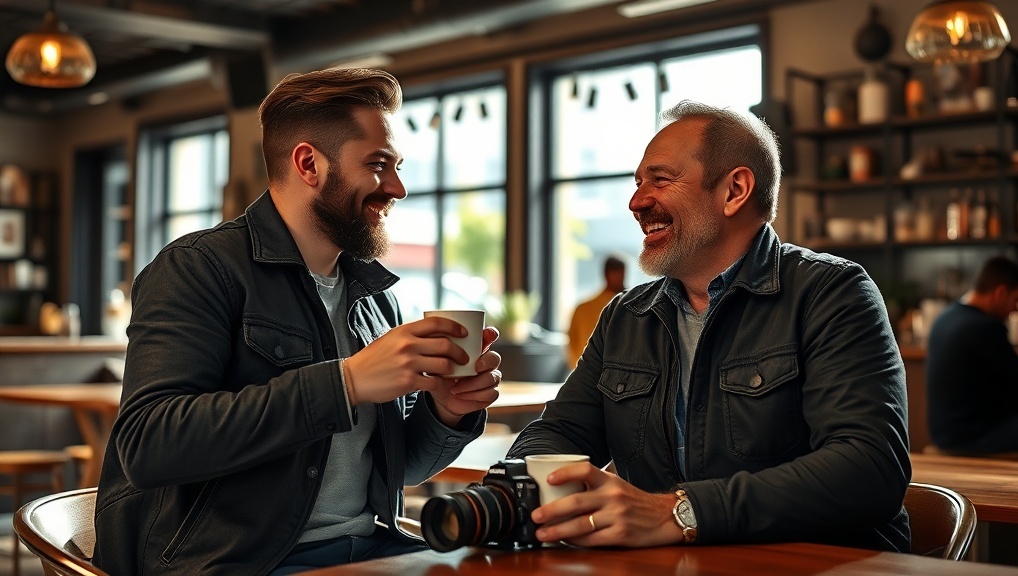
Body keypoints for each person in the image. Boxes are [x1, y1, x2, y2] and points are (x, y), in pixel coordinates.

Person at [93, 68, 503, 575]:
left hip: (370, 550)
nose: (397, 187)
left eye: (397, 166)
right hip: (238, 563)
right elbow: (149, 445)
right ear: (309, 163)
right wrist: (347, 382)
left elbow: (401, 471)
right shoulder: (198, 268)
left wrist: (446, 413)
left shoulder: (375, 298)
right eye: (378, 165)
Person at [507, 100, 910, 552]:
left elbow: (870, 468)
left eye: (660, 180)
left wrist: (679, 513)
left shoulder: (832, 293)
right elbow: (560, 432)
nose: (637, 202)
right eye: (638, 183)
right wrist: (515, 490)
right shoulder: (625, 317)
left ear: (735, 190)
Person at [926, 255, 1018, 453]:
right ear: (1000, 293)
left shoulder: (945, 317)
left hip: (944, 434)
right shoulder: (985, 327)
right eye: (1017, 300)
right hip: (972, 438)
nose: (1016, 310)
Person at [565, 255, 626, 369]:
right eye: (617, 274)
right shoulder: (584, 309)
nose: (620, 278)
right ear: (607, 275)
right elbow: (572, 343)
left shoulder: (583, 308)